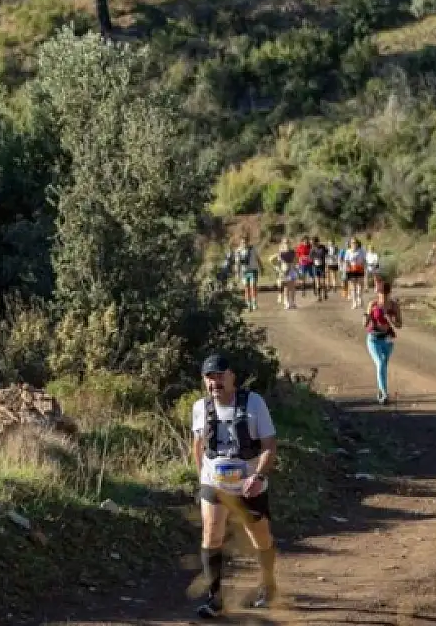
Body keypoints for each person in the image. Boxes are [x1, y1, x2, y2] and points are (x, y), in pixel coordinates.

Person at [190, 354, 279, 618]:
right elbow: (197, 444)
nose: (214, 382)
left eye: (219, 376)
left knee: (259, 537)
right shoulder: (200, 407)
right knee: (211, 533)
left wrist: (259, 476)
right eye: (209, 377)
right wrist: (201, 478)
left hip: (250, 484)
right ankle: (215, 599)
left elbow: (269, 446)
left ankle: (268, 584)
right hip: (214, 481)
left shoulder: (254, 403)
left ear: (232, 377)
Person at [365, 276, 403, 404]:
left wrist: (390, 320)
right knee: (380, 363)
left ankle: (381, 390)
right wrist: (368, 318)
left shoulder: (394, 306)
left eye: (385, 293)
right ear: (378, 293)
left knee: (382, 366)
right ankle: (385, 394)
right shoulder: (373, 305)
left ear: (389, 292)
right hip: (373, 339)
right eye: (381, 293)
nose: (383, 296)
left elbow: (399, 325)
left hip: (388, 340)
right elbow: (365, 324)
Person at [239, 243, 262, 312]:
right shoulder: (239, 251)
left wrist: (261, 267)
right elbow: (237, 262)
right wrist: (237, 272)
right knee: (246, 287)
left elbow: (258, 258)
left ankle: (254, 302)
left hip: (253, 270)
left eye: (245, 242)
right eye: (242, 243)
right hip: (244, 271)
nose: (244, 244)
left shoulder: (253, 249)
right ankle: (248, 303)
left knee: (253, 286)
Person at [345, 240, 367, 309]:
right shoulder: (348, 251)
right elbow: (346, 261)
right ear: (350, 244)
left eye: (355, 243)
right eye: (352, 243)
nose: (353, 244)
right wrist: (347, 269)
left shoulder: (361, 251)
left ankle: (359, 298)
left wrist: (364, 267)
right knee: (353, 287)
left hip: (360, 269)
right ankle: (354, 302)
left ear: (357, 243)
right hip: (351, 269)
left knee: (360, 285)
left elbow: (364, 260)